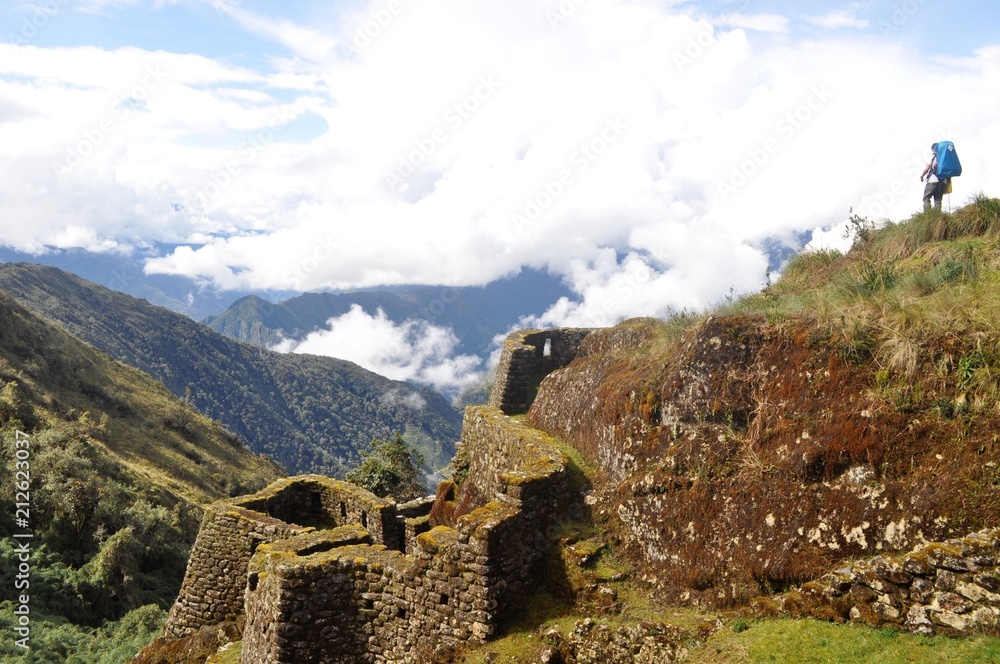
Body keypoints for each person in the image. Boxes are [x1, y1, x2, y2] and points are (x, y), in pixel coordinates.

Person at [920, 143, 946, 211]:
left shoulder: (933, 157)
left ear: (934, 149)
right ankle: (937, 217)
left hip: (932, 181)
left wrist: (922, 176)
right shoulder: (944, 157)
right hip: (942, 181)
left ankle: (928, 215)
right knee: (938, 200)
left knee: (926, 197)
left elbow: (927, 168)